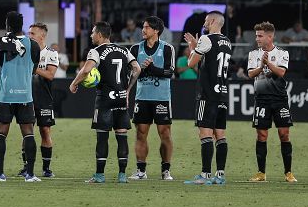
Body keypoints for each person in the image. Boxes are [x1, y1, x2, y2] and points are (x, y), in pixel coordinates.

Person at [69, 21, 141, 184]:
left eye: (93, 32)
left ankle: (100, 175)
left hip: (105, 100)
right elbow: (137, 69)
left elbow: (86, 70)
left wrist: (74, 83)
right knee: (121, 136)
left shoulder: (96, 51)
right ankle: (122, 175)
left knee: (102, 137)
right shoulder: (124, 49)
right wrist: (128, 89)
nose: (91, 35)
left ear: (100, 35)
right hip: (121, 98)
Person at [0, 11, 41, 182]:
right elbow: (34, 70)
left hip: (5, 96)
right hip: (25, 95)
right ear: (22, 25)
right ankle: (31, 175)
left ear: (8, 25)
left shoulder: (1, 44)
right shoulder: (33, 45)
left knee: (1, 133)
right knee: (28, 133)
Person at [183, 11, 233, 185]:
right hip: (222, 93)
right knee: (220, 135)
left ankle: (205, 175)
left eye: (205, 21)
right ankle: (220, 175)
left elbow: (191, 63)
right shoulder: (227, 41)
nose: (204, 24)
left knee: (205, 134)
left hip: (207, 94)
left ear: (212, 21)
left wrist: (192, 45)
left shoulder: (206, 39)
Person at [245, 22, 295, 183]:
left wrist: (268, 64)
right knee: (261, 135)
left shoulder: (282, 53)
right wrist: (261, 67)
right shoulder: (253, 54)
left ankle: (288, 172)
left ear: (270, 36)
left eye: (260, 36)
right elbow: (251, 74)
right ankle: (261, 173)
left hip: (279, 99)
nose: (257, 38)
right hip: (262, 100)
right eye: (256, 35)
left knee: (284, 134)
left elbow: (281, 72)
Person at [128, 16, 177, 181]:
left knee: (165, 134)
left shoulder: (167, 48)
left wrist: (152, 69)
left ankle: (166, 170)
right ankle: (141, 171)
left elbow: (170, 72)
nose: (143, 30)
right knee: (140, 134)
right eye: (143, 27)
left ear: (156, 31)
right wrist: (138, 72)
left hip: (161, 98)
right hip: (142, 98)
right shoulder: (135, 49)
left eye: (147, 27)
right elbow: (131, 74)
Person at [26, 23, 59, 178]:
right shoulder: (25, 52)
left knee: (45, 131)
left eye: (32, 33)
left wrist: (33, 68)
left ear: (42, 36)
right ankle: (26, 167)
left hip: (44, 98)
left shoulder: (51, 53)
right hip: (26, 97)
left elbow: (50, 75)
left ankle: (46, 168)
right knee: (27, 132)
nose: (29, 36)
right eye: (29, 33)